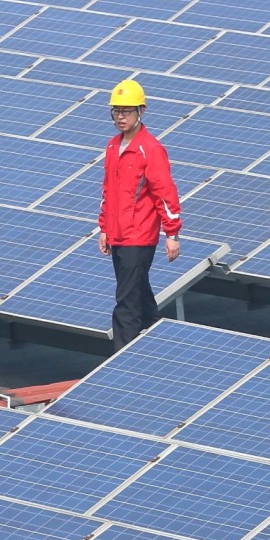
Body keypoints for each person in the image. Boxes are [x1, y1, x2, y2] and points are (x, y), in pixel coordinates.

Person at [98, 79, 182, 348]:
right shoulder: (113, 146)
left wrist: (172, 233)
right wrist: (104, 229)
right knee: (140, 297)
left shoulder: (150, 148)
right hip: (118, 236)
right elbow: (108, 191)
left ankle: (120, 359)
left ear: (141, 111)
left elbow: (165, 192)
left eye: (127, 111)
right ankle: (159, 344)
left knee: (126, 304)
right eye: (116, 111)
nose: (120, 117)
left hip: (139, 237)